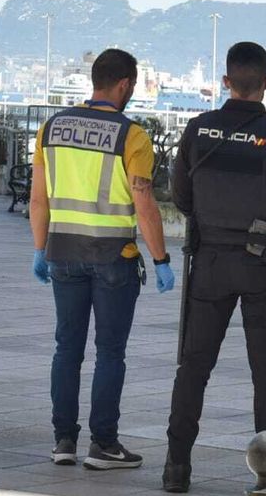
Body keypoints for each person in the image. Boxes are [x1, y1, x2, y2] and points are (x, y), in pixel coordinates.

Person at [163, 41, 266, 495]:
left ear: (226, 81)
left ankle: (176, 468)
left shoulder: (197, 131)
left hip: (207, 263)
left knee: (193, 367)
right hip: (261, 266)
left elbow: (182, 198)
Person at [29, 48, 172, 471]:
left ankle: (63, 441)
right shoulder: (132, 136)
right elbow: (143, 202)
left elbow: (39, 199)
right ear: (125, 84)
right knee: (110, 352)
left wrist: (40, 250)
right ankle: (104, 444)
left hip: (63, 255)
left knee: (66, 349)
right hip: (114, 256)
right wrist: (161, 258)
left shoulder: (51, 128)